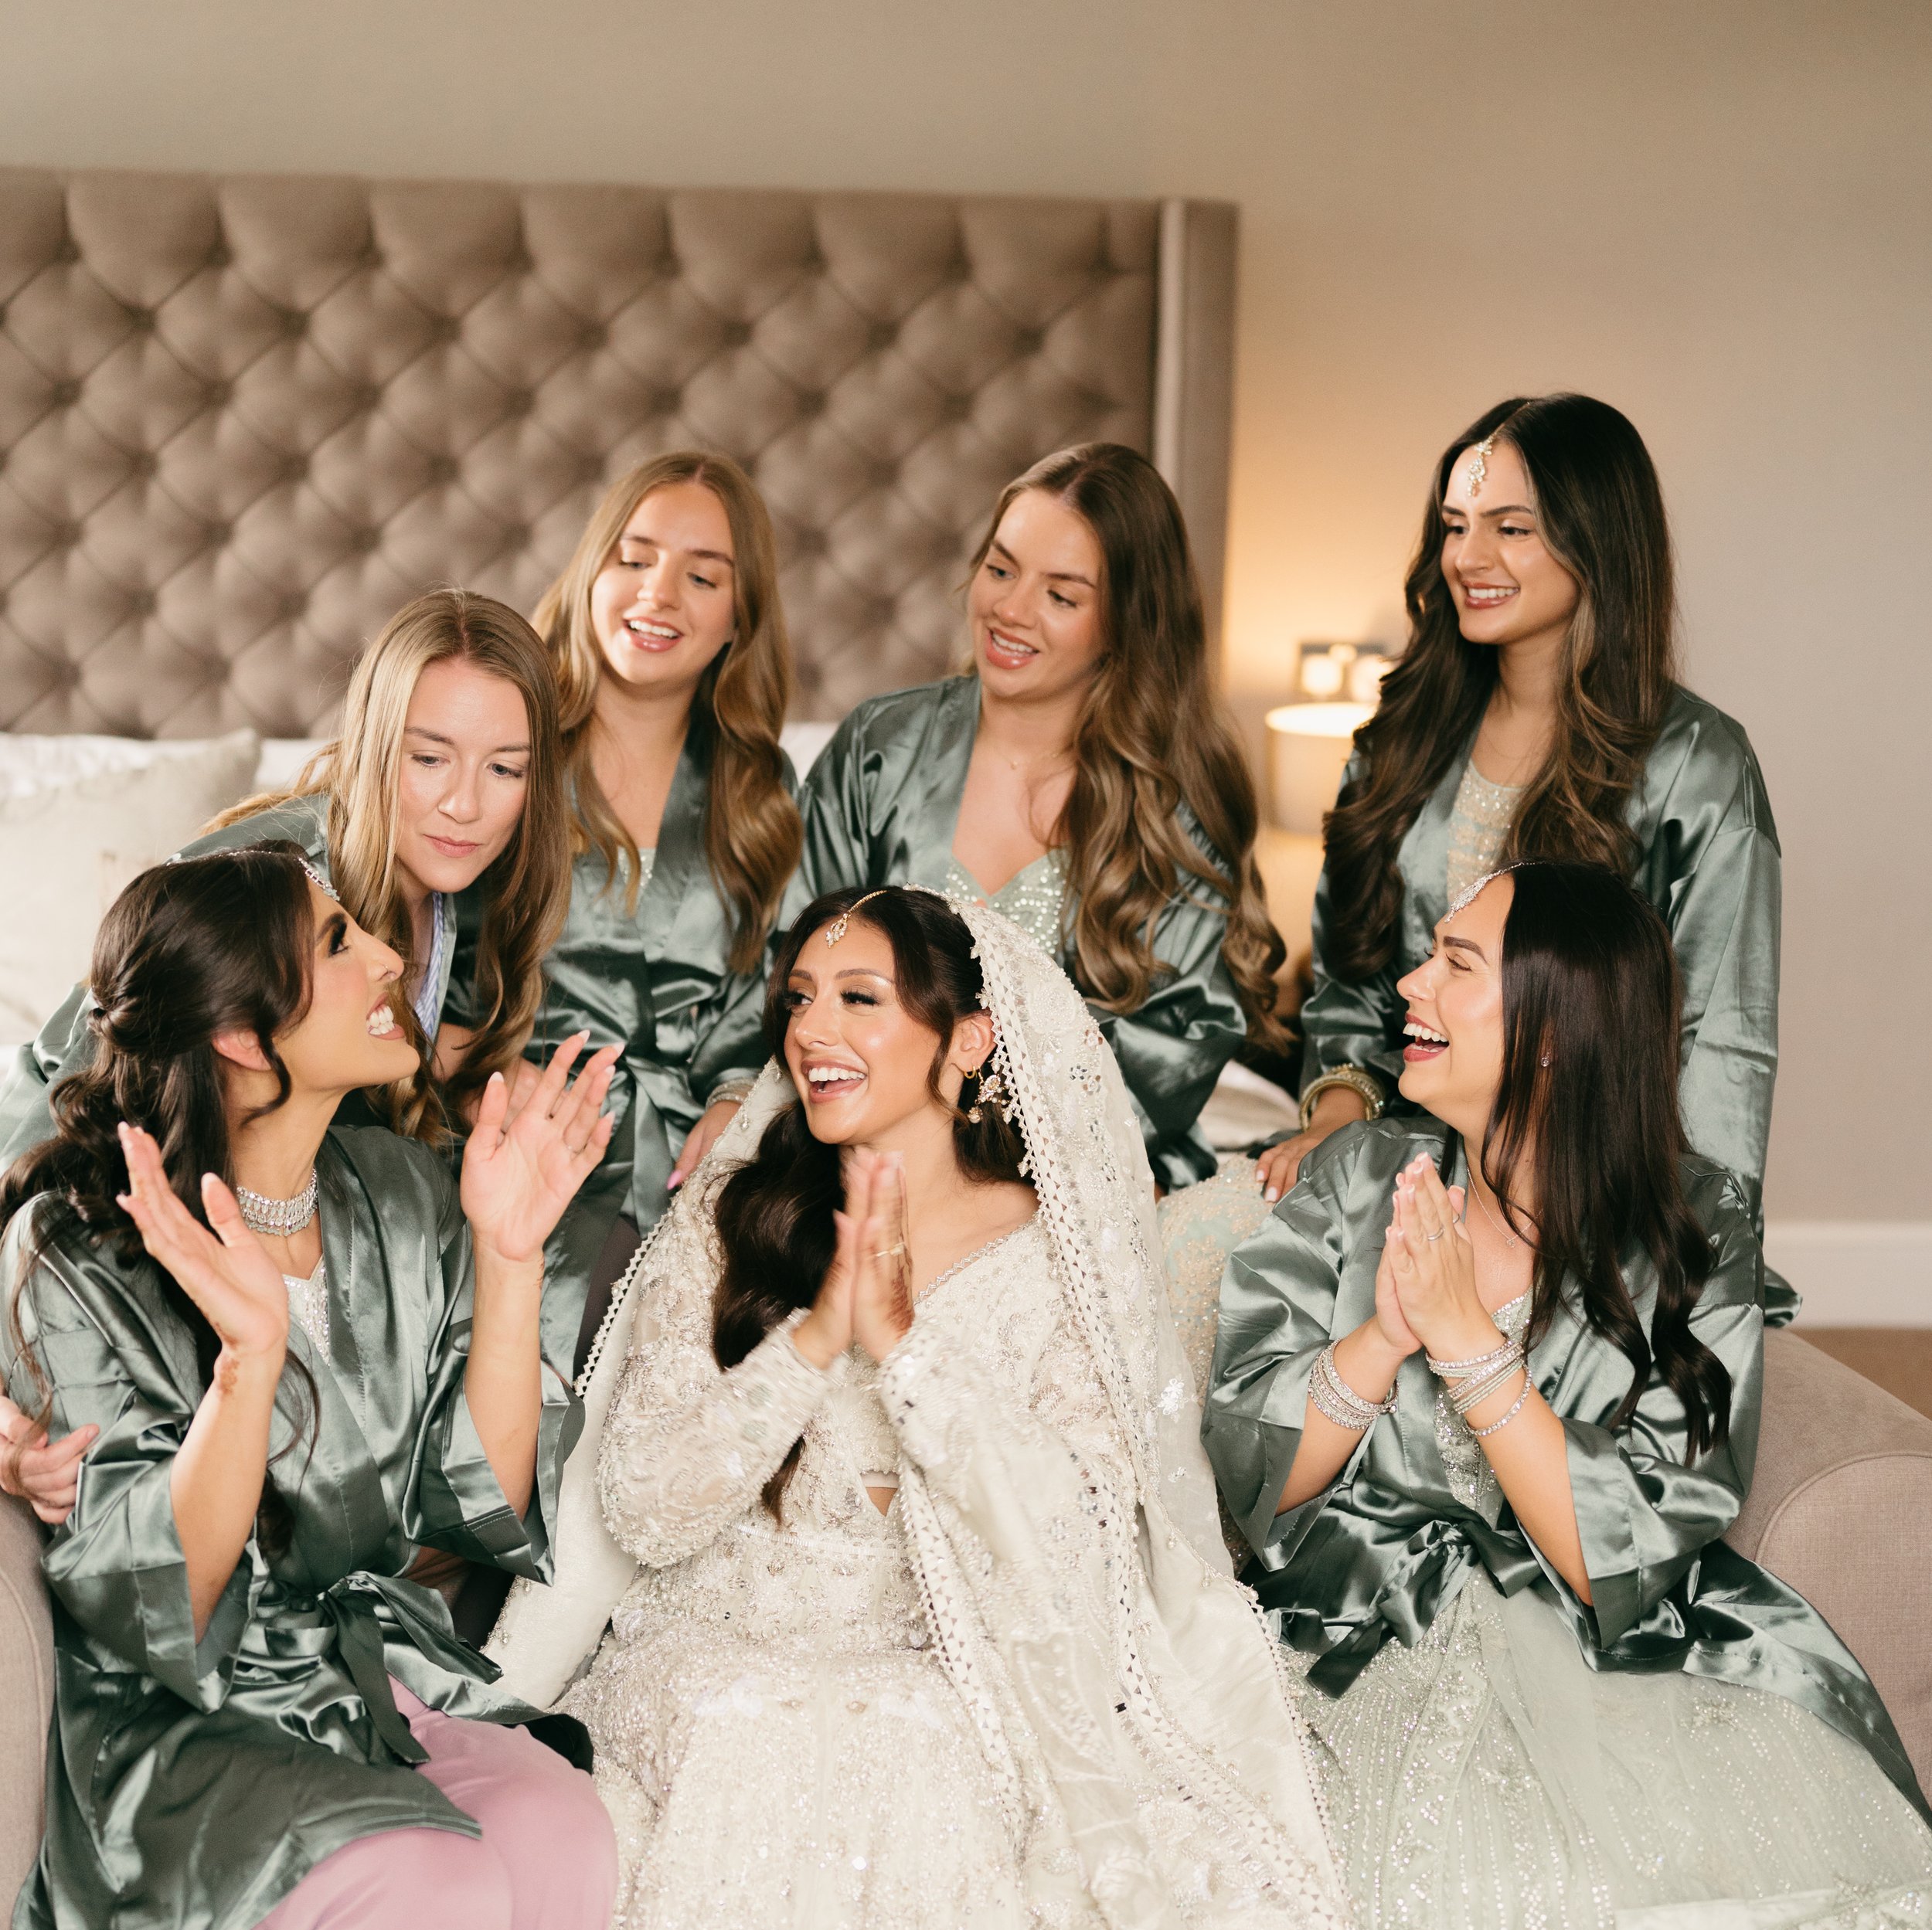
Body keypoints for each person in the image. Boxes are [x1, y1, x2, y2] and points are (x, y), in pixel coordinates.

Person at [356, 885, 1930, 1930]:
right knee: (790, 1747)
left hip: (959, 1672)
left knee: (908, 1769)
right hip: (735, 1655)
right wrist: (817, 1345)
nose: (811, 1031)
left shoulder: (1045, 1259)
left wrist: (916, 1373)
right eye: (801, 998)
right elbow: (646, 1496)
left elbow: (1093, 1541)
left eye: (859, 1000)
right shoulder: (741, 1214)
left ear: (967, 1045)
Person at [1205, 860, 1932, 1930]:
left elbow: (1632, 1538)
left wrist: (1477, 1353)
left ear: (1549, 1025)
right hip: (1362, 1633)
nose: (1405, 990)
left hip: (1626, 1655)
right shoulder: (1355, 1182)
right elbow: (1237, 1477)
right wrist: (1379, 1343)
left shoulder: (1690, 1225)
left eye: (1455, 963)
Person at [0, 843, 621, 1930]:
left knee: (557, 1835)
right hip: (178, 1737)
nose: (385, 956)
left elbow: (474, 1499)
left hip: (348, 1692)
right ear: (242, 1032)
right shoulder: (82, 1250)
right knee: (425, 1883)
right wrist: (248, 1365)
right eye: (340, 939)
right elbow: (156, 1601)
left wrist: (503, 1249)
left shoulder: (402, 1193)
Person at [0, 586, 574, 1527]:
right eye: (428, 758)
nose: (466, 803)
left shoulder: (445, 886)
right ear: (374, 742)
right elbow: (70, 1084)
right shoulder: (280, 875)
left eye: (505, 768)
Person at [1259, 398, 1784, 1283]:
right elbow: (1351, 978)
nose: (1468, 559)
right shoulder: (1397, 740)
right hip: (1403, 1158)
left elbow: (1718, 1044)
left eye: (1512, 528)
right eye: (1454, 527)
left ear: (1598, 542)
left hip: (1586, 1192)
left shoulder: (1697, 767)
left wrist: (1679, 1260)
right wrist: (1336, 1106)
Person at [796, 442, 1282, 1190]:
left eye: (1061, 594)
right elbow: (796, 952)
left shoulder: (1172, 814)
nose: (1010, 610)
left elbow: (1171, 1050)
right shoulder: (877, 752)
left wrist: (968, 1163)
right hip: (849, 1147)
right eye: (1000, 568)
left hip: (1077, 1176)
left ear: (1126, 622)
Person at [465, 450, 801, 1378]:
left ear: (741, 617)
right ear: (589, 573)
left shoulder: (761, 793)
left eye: (703, 576)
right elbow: (438, 959)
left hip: (699, 1152)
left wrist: (736, 1096)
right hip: (507, 1129)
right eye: (634, 556)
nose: (659, 594)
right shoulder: (504, 748)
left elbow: (782, 988)